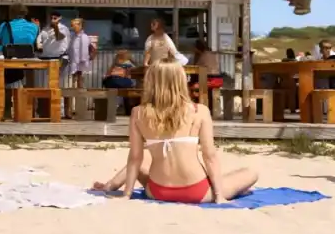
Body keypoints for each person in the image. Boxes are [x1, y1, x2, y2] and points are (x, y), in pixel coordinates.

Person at [109, 58, 259, 203]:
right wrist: (219, 196)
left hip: (158, 191)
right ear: (181, 81)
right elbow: (209, 156)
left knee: (144, 158)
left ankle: (109, 186)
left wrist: (127, 194)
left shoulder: (138, 113)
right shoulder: (199, 111)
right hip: (196, 191)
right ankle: (229, 191)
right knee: (250, 173)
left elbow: (135, 158)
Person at [67, 18, 94, 89]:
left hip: (80, 61)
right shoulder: (72, 36)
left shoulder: (84, 36)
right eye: (72, 25)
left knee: (80, 79)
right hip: (74, 60)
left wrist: (83, 60)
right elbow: (70, 47)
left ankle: (79, 94)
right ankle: (74, 95)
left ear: (80, 26)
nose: (73, 27)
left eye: (74, 25)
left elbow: (84, 49)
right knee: (74, 78)